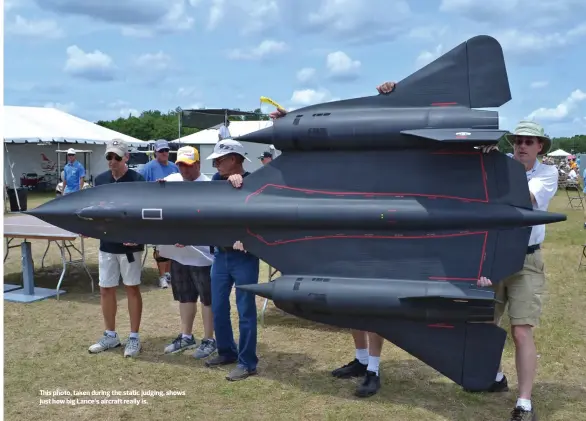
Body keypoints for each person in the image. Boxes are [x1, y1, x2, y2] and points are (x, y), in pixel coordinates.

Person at [268, 81, 397, 398]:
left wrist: (390, 94)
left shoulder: (384, 157)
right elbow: (317, 144)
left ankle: (374, 370)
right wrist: (287, 120)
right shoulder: (344, 159)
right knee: (351, 301)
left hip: (377, 238)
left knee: (373, 304)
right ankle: (361, 359)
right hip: (346, 237)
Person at [478, 120, 558, 421]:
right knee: (485, 322)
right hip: (496, 254)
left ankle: (524, 402)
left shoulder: (547, 173)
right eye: (518, 141)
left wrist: (496, 165)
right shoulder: (500, 166)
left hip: (526, 260)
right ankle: (496, 376)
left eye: (529, 141)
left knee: (521, 330)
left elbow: (525, 199)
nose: (521, 146)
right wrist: (485, 159)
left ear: (540, 147)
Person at [202, 139, 260, 381]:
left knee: (245, 309)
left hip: (244, 257)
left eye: (220, 160)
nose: (215, 164)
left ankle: (248, 363)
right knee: (218, 306)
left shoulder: (255, 182)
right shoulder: (216, 181)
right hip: (221, 255)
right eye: (214, 160)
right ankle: (226, 351)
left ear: (235, 159)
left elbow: (258, 217)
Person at [156, 146, 218, 359]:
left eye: (189, 166)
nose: (184, 170)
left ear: (199, 165)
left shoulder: (209, 186)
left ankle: (210, 339)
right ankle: (186, 336)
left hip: (203, 255)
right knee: (184, 297)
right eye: (181, 164)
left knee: (207, 299)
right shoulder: (171, 180)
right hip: (178, 254)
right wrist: (158, 189)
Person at [88, 139, 146, 358]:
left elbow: (143, 212)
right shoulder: (101, 180)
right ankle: (110, 335)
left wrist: (137, 236)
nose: (112, 161)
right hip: (106, 244)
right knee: (106, 288)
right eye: (109, 157)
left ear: (126, 158)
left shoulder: (138, 180)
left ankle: (134, 337)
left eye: (117, 157)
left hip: (130, 247)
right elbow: (96, 210)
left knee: (132, 288)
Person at [141, 139, 179, 288]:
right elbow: (140, 188)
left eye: (166, 151)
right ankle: (162, 276)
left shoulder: (174, 167)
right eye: (161, 151)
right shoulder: (147, 168)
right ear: (155, 152)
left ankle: (168, 274)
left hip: (172, 211)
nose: (164, 153)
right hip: (156, 212)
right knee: (159, 247)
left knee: (171, 244)